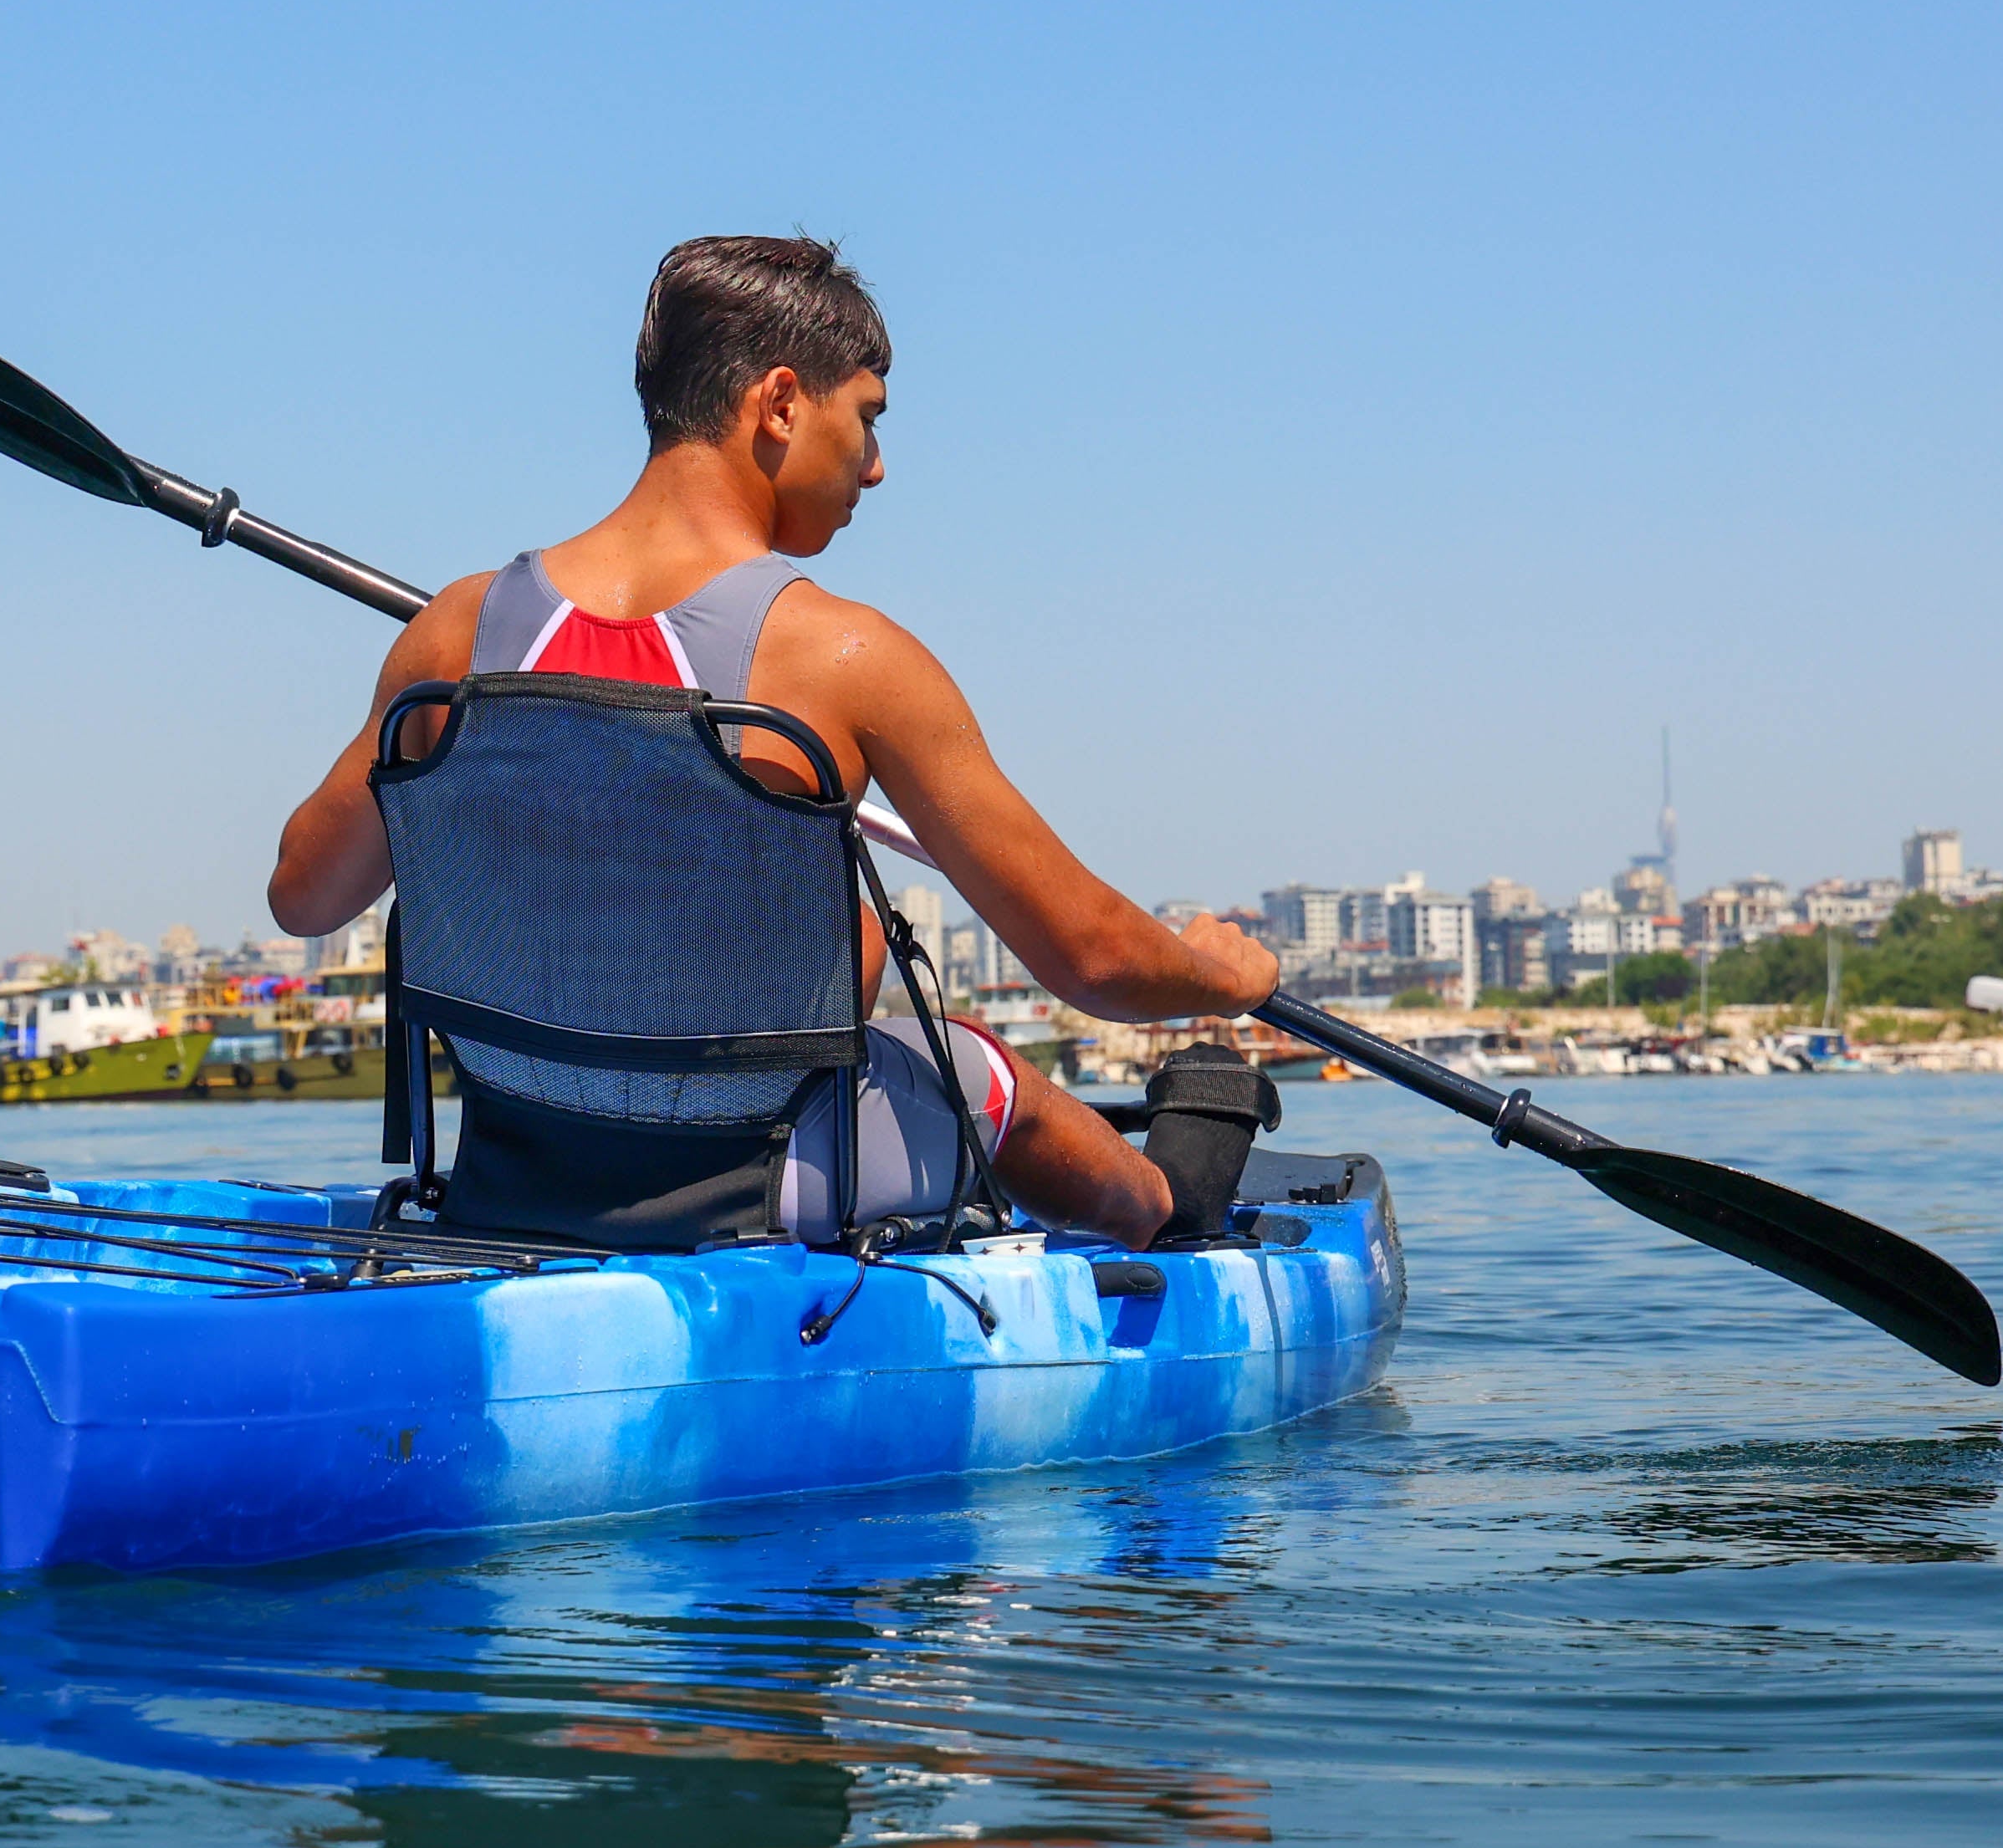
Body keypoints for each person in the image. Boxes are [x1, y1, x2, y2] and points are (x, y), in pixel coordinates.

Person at [269, 235, 1280, 1248]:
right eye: (868, 420)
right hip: (750, 1185)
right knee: (982, 1070)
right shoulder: (844, 657)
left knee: (855, 938)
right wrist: (1220, 976)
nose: (876, 469)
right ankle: (1168, 1209)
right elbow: (1095, 958)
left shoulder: (458, 631)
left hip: (507, 1169)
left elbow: (304, 896)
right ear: (783, 402)